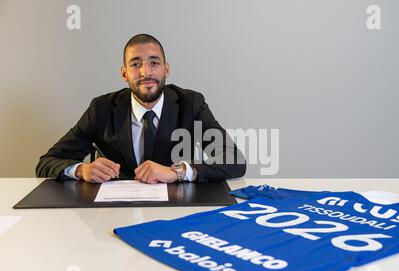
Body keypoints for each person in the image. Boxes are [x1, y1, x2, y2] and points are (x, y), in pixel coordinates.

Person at [36, 34, 246, 184]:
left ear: (166, 69)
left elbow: (234, 161)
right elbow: (46, 162)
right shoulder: (101, 109)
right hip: (114, 213)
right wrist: (82, 170)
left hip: (176, 212)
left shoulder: (191, 104)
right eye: (136, 64)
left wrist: (177, 172)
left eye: (154, 62)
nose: (146, 72)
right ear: (124, 73)